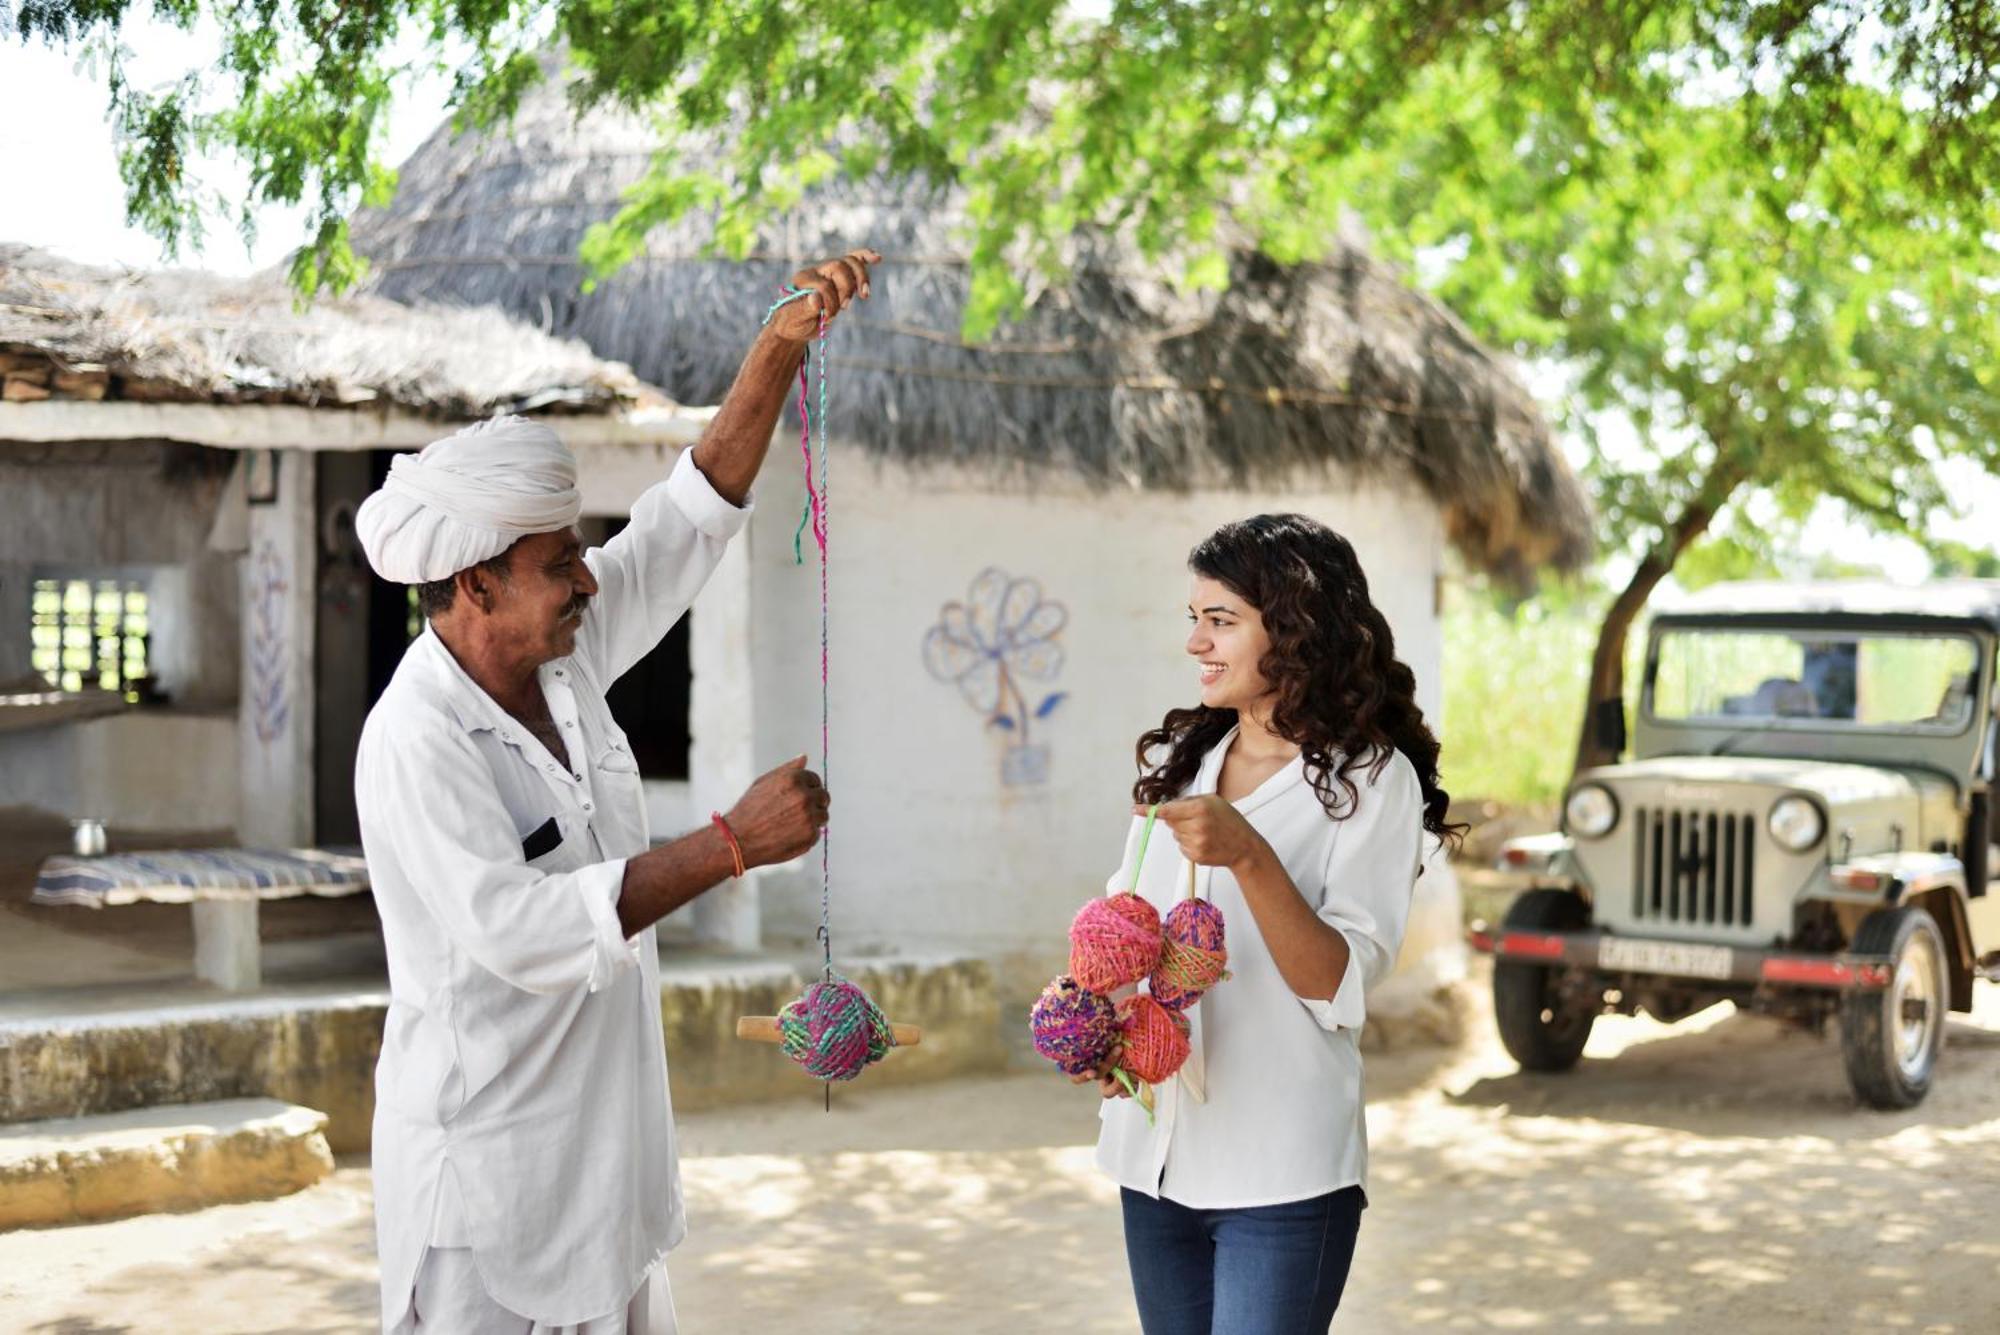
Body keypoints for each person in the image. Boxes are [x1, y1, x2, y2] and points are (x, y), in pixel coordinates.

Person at [350, 248, 879, 1334]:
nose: (588, 576)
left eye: (580, 552)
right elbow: (523, 932)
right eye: (559, 561)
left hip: (608, 1170)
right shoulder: (415, 738)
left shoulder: (563, 658)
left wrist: (776, 348)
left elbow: (688, 516)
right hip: (484, 1192)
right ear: (473, 584)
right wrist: (729, 844)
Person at [1086, 513, 1458, 1334]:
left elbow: (1341, 983)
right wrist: (1104, 1025)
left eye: (1221, 620)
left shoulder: (1370, 781)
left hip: (1281, 1175)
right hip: (1154, 1162)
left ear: (1294, 629)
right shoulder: (1178, 761)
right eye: (1195, 619)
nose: (1197, 643)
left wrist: (1251, 855)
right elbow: (1125, 932)